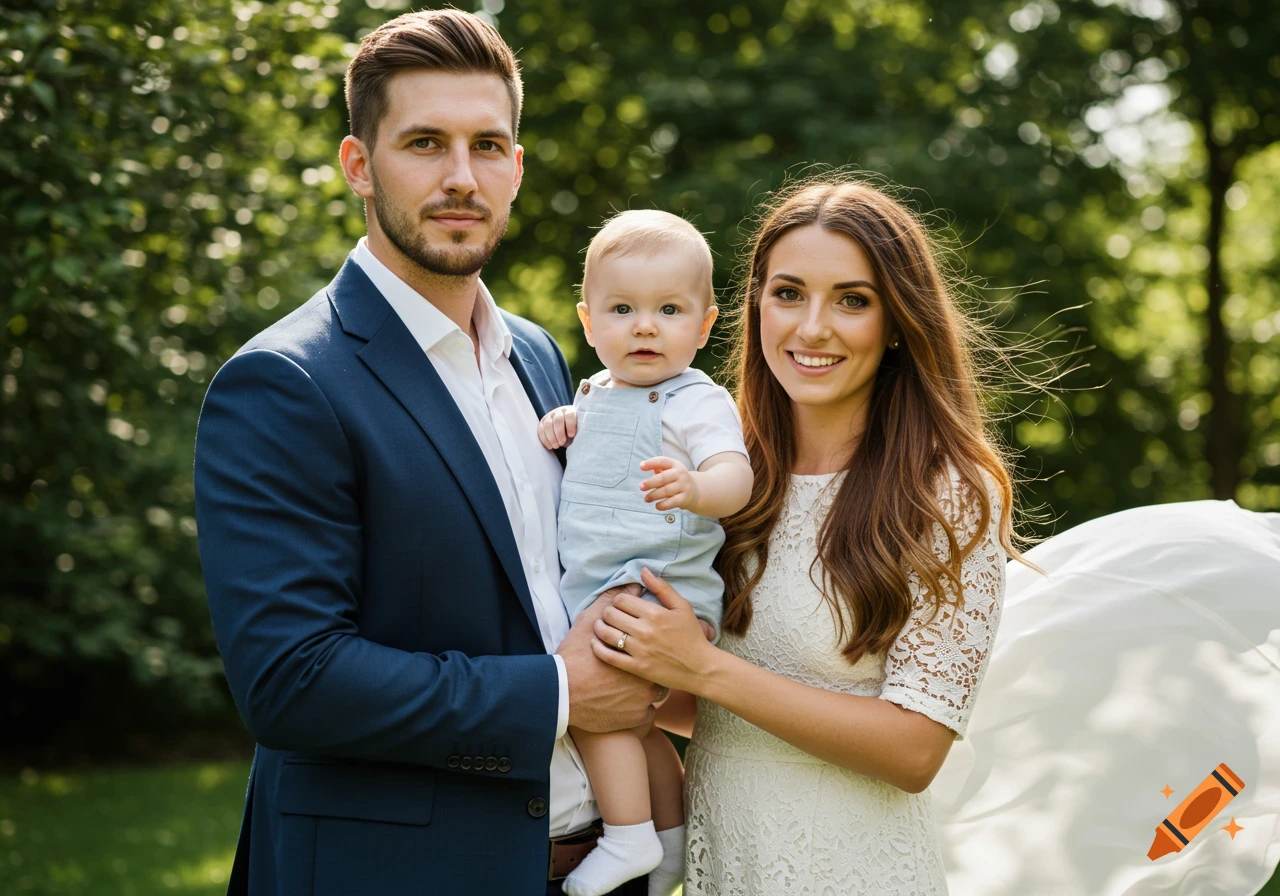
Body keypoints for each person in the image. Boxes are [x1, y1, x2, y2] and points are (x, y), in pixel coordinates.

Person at [193, 10, 661, 895]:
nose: (461, 177)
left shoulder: (541, 355)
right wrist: (559, 695)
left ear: (517, 169)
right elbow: (292, 681)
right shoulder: (283, 384)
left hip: (597, 867)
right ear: (359, 167)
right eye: (424, 143)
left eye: (488, 146)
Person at [590, 177, 1019, 894]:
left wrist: (701, 668)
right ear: (755, 303)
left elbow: (916, 750)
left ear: (896, 322)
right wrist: (626, 659)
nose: (812, 327)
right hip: (724, 864)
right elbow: (722, 714)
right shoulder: (720, 473)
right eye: (789, 293)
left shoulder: (946, 493)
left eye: (852, 300)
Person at [536, 210, 753, 896]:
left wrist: (696, 486)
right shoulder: (595, 392)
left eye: (668, 309)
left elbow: (736, 478)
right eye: (623, 309)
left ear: (705, 324)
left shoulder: (695, 400)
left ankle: (626, 837)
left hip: (654, 587)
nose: (645, 326)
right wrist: (565, 422)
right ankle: (667, 840)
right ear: (590, 321)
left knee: (589, 700)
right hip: (606, 581)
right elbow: (590, 443)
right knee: (643, 722)